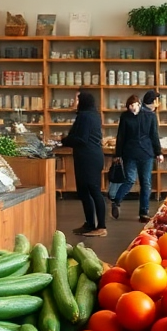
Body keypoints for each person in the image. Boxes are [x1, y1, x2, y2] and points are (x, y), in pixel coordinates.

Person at [110, 90, 163, 222]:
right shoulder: (125, 117)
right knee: (130, 180)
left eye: (134, 105)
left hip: (146, 154)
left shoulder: (150, 116)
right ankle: (116, 201)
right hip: (130, 154)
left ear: (139, 104)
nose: (132, 108)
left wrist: (159, 153)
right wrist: (118, 154)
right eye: (129, 106)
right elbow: (120, 136)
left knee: (146, 183)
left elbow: (154, 136)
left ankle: (143, 213)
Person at [61, 90, 108, 236]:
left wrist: (64, 140)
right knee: (83, 191)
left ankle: (101, 227)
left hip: (89, 158)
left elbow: (80, 139)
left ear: (83, 101)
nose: (74, 102)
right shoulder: (89, 115)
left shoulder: (85, 116)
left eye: (76, 99)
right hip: (86, 157)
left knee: (94, 190)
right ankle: (89, 224)